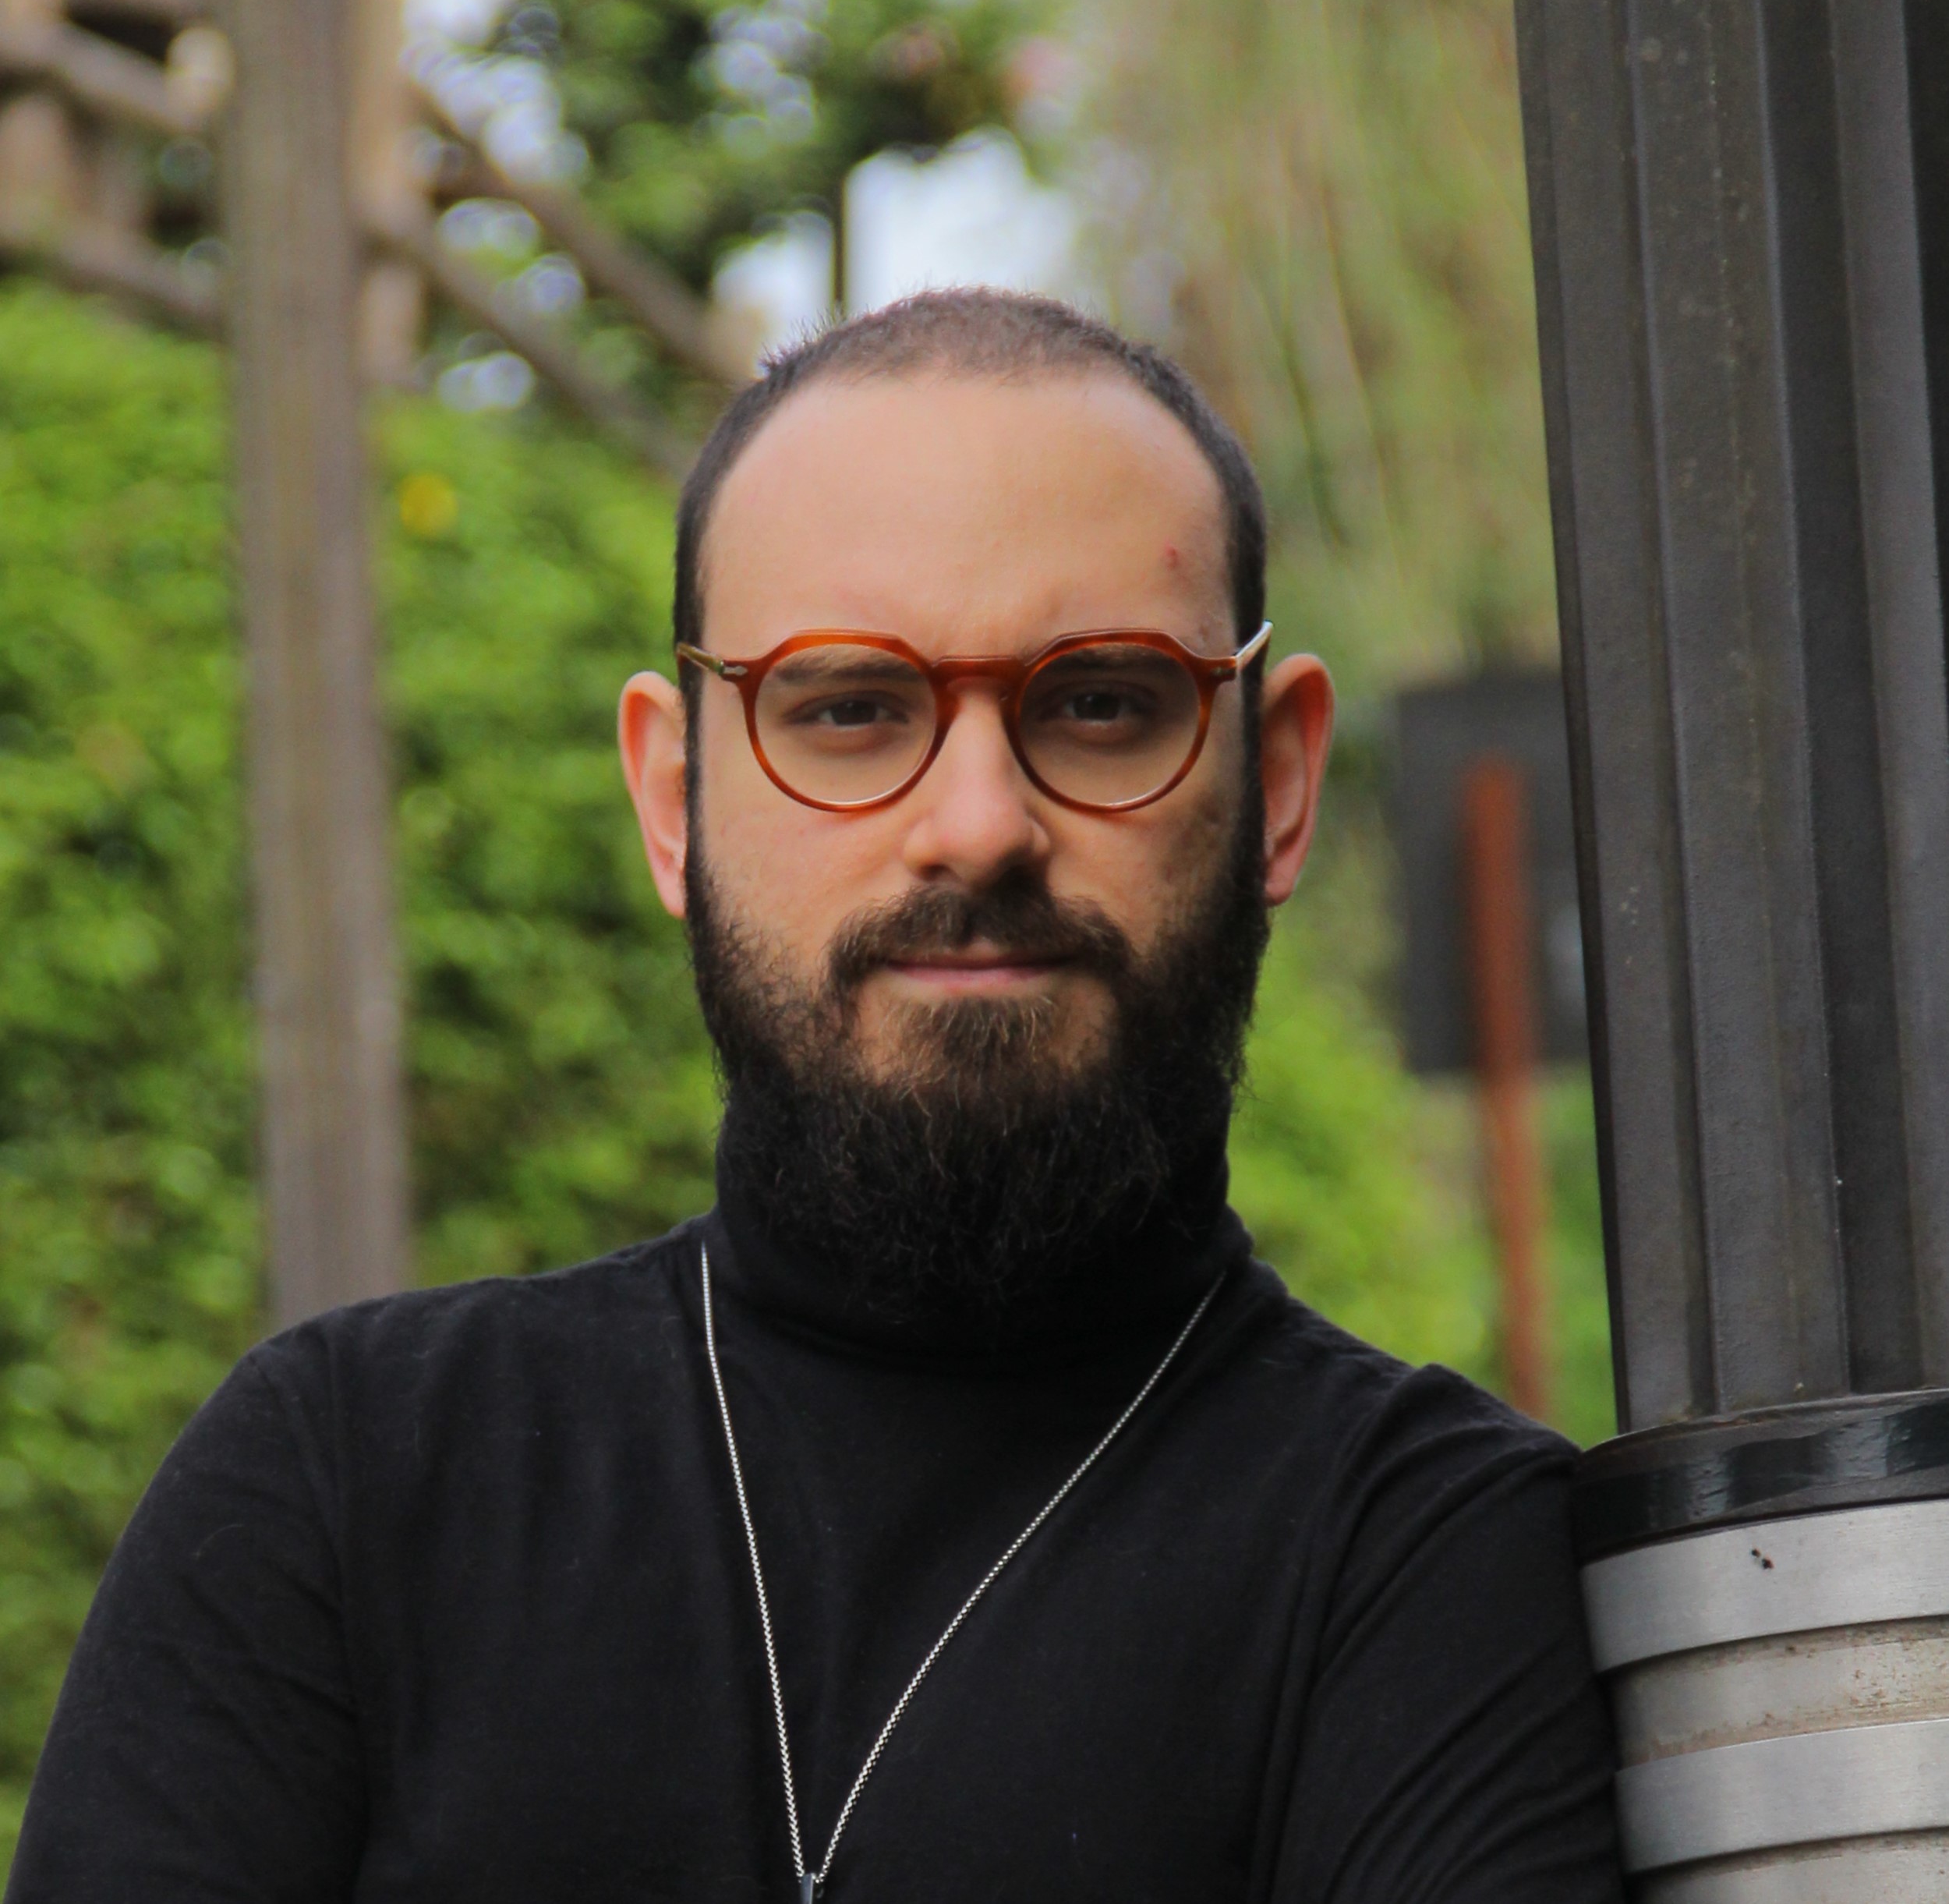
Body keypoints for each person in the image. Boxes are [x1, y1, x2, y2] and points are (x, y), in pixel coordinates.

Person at [9, 290, 1621, 1903]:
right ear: (673, 798)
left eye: (1099, 703)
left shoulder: (1434, 1557)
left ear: (1275, 781)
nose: (976, 825)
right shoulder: (345, 1484)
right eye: (848, 707)